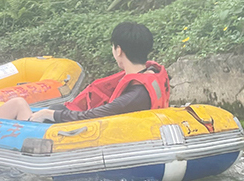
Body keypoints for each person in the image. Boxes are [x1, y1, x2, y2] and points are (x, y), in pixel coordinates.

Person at [27, 22, 169, 123]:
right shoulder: (149, 73)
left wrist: (50, 114)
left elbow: (94, 116)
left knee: (47, 112)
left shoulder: (136, 95)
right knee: (52, 108)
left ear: (118, 50)